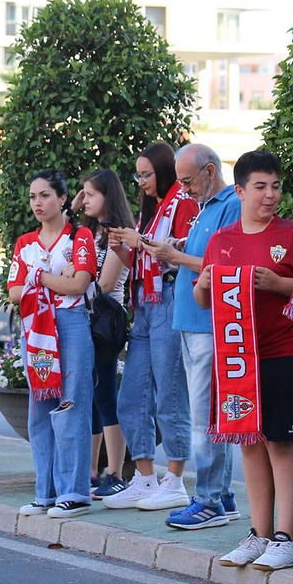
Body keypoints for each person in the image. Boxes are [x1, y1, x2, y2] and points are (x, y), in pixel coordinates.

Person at [195, 149, 293, 572]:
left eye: (276, 186)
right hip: (238, 358)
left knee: (282, 442)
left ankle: (287, 538)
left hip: (287, 351)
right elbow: (201, 297)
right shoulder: (221, 240)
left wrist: (279, 283)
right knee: (249, 440)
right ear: (240, 191)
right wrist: (206, 284)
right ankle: (260, 533)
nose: (270, 196)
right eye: (260, 187)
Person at [150, 143, 245, 529]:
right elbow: (206, 254)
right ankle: (220, 496)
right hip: (192, 323)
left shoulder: (230, 205)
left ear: (209, 171)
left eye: (188, 180)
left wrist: (176, 257)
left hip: (209, 325)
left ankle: (208, 500)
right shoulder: (207, 207)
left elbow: (225, 263)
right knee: (207, 417)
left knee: (205, 418)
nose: (184, 189)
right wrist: (179, 247)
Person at [105, 141, 199, 511]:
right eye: (138, 174)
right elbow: (144, 260)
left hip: (169, 300)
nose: (141, 181)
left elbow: (176, 252)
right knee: (131, 396)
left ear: (163, 170)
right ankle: (145, 477)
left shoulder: (182, 201)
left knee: (169, 394)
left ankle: (174, 479)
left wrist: (137, 240)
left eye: (146, 173)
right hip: (144, 303)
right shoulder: (156, 207)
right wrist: (122, 247)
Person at [8, 170, 97, 518]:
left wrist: (38, 277)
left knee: (71, 405)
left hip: (70, 324)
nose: (37, 203)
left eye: (44, 195)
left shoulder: (81, 236)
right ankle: (44, 491)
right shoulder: (25, 242)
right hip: (35, 329)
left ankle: (74, 492)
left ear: (62, 199)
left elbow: (80, 286)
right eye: (33, 197)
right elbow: (14, 292)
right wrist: (59, 277)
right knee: (39, 408)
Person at [75, 169, 134, 498]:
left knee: (106, 395)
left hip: (105, 321)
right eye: (83, 193)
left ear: (107, 197)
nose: (85, 200)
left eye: (91, 194)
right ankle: (92, 471)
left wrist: (72, 279)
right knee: (92, 396)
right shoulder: (91, 232)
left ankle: (115, 472)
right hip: (87, 318)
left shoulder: (119, 233)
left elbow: (107, 283)